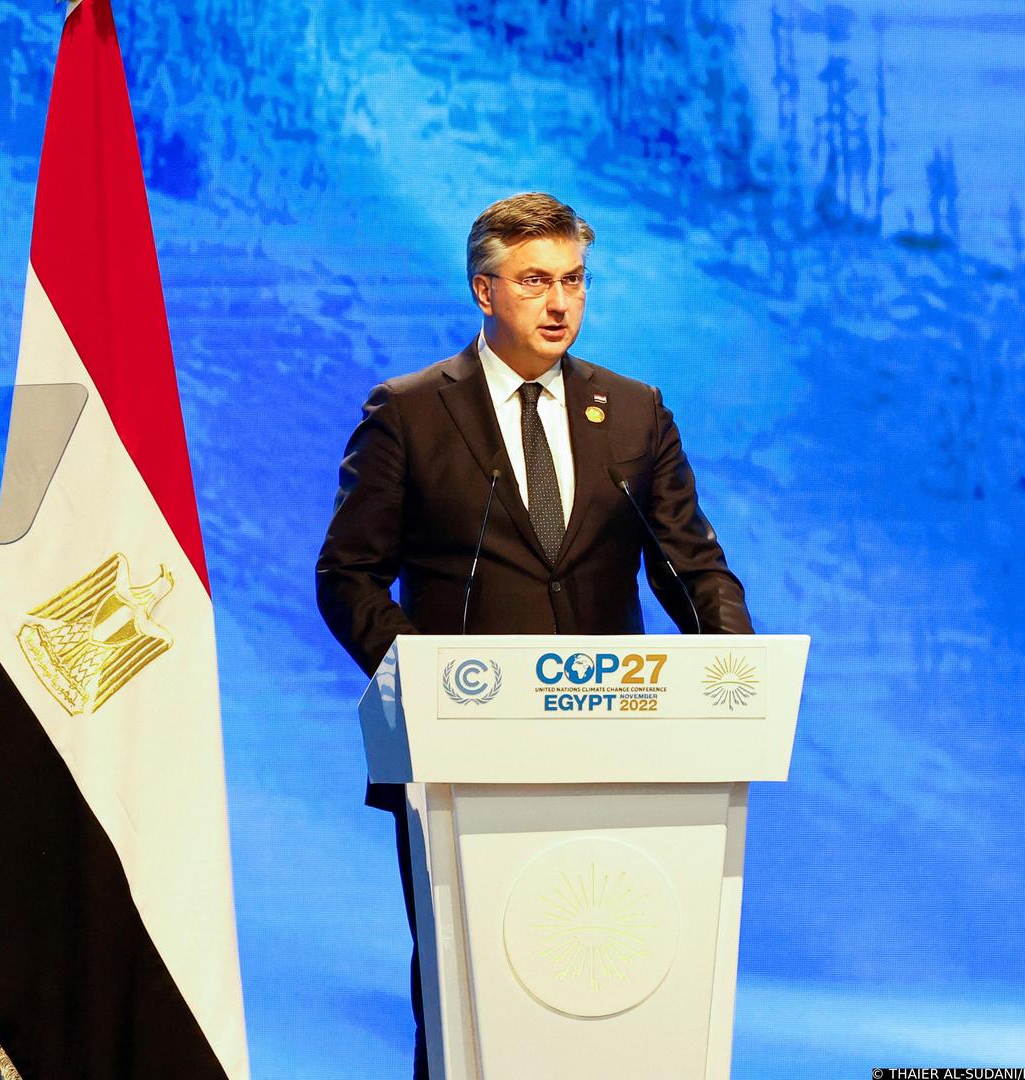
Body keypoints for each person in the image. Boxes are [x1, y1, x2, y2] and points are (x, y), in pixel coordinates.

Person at [314, 192, 752, 1078]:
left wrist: (739, 677)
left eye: (574, 281)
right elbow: (347, 575)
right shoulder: (409, 413)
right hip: (462, 756)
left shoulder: (634, 411)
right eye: (534, 282)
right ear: (485, 290)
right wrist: (424, 680)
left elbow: (692, 566)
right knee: (469, 994)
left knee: (614, 980)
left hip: (620, 746)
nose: (559, 303)